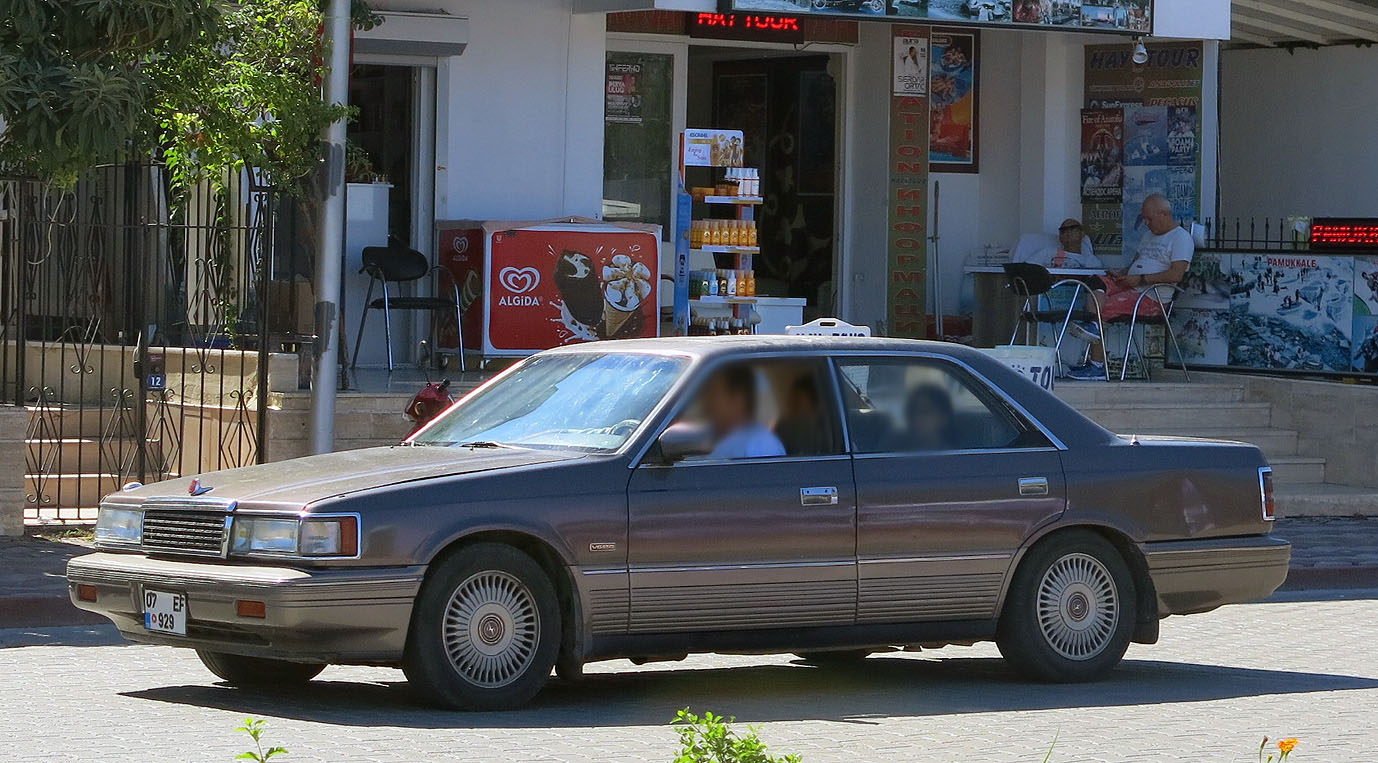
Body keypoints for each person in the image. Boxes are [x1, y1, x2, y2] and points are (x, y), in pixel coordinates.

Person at [1067, 194, 1195, 381]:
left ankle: (1097, 365)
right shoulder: (1149, 235)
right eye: (1144, 218)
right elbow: (1137, 263)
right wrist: (1123, 274)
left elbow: (1176, 274)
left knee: (1104, 307)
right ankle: (1094, 326)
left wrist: (1141, 279)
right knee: (1096, 281)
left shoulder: (1181, 238)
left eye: (1149, 218)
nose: (1146, 222)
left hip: (1152, 297)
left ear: (1164, 214)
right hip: (1134, 284)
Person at [698, 365, 785, 460]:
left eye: (713, 394)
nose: (706, 402)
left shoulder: (761, 446)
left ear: (737, 399)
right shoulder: (718, 439)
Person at [774, 375, 829, 456]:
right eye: (792, 400)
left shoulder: (827, 427)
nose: (792, 406)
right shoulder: (783, 427)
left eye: (798, 401)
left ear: (813, 404)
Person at [1019, 219, 1104, 269]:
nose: (1067, 232)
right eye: (1063, 230)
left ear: (1082, 234)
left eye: (1072, 228)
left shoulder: (1091, 261)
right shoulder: (1048, 253)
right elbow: (1027, 268)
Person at [903, 384, 956, 451]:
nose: (917, 417)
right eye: (913, 411)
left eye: (925, 412)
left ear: (944, 418)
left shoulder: (955, 457)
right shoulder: (895, 453)